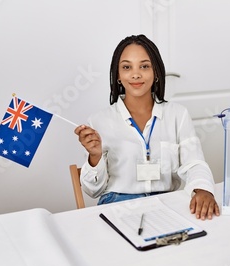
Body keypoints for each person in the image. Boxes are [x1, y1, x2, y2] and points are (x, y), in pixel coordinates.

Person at [74, 34, 219, 220]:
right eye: (127, 67)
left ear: (156, 72)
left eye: (144, 66)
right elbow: (93, 191)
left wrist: (203, 189)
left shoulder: (177, 114)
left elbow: (194, 163)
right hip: (118, 204)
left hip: (167, 202)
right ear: (117, 75)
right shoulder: (99, 121)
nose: (136, 74)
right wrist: (94, 156)